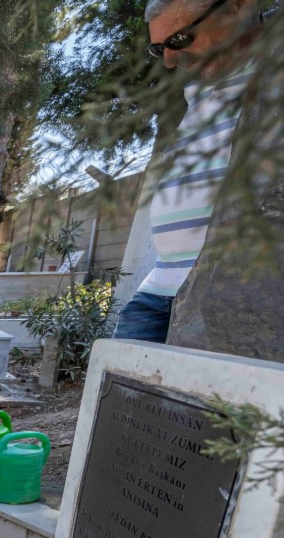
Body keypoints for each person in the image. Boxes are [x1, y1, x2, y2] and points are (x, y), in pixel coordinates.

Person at [113, 0, 269, 343]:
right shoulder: (202, 82)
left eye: (180, 39)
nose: (169, 60)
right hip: (160, 285)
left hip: (229, 293)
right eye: (159, 48)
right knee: (116, 388)